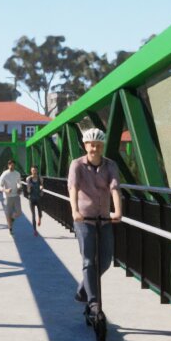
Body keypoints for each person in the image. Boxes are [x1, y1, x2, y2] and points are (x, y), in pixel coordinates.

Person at [67, 128, 123, 325]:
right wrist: (75, 211)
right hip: (84, 220)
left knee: (106, 260)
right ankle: (93, 304)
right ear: (85, 145)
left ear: (102, 147)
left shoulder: (111, 165)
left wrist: (118, 211)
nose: (95, 148)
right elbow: (73, 188)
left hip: (104, 219)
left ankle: (83, 289)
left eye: (99, 145)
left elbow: (114, 188)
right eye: (91, 145)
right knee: (89, 261)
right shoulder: (77, 165)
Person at [0, 160, 24, 230]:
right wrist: (5, 190)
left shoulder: (17, 174)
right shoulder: (4, 174)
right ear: (8, 165)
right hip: (7, 197)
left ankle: (12, 218)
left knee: (19, 213)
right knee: (8, 214)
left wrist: (19, 188)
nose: (12, 167)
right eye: (11, 165)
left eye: (13, 165)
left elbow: (19, 183)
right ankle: (10, 228)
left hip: (16, 196)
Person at [24, 166, 43, 233]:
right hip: (31, 198)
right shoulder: (28, 179)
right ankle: (35, 230)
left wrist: (41, 188)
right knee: (33, 214)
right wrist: (29, 187)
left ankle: (40, 219)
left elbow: (41, 185)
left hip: (38, 198)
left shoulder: (40, 178)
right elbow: (28, 191)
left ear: (37, 171)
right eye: (33, 170)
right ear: (31, 171)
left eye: (35, 170)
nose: (34, 171)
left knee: (40, 212)